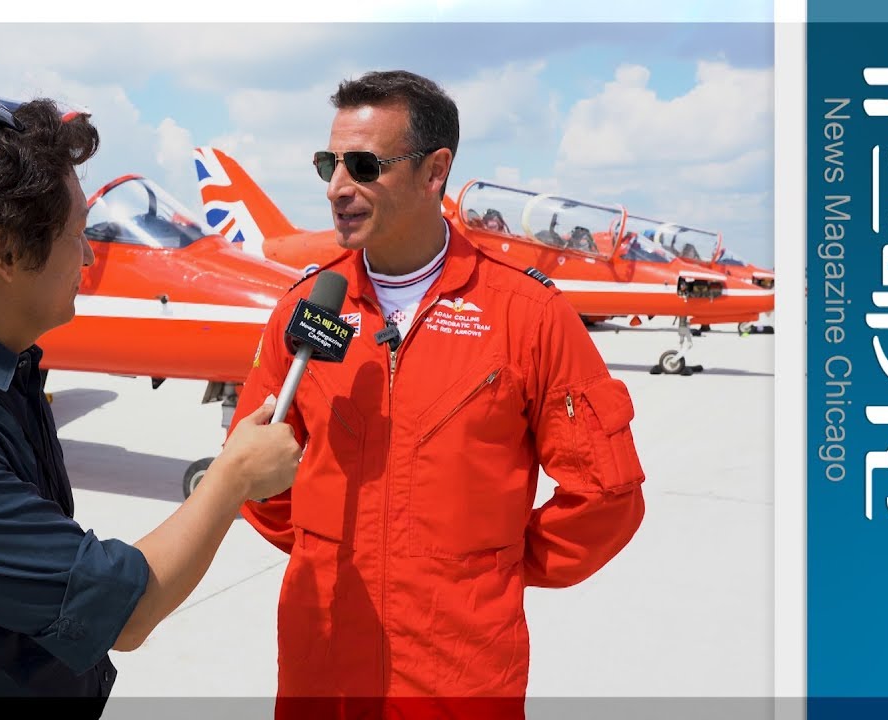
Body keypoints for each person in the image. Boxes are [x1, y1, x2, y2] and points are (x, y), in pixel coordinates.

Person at [0, 79, 301, 718]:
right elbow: (125, 610)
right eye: (77, 232)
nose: (88, 254)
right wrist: (232, 478)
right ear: (7, 252)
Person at [227, 70, 647, 718]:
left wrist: (490, 571)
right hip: (324, 665)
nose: (337, 187)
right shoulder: (304, 310)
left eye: (363, 166)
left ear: (434, 172)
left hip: (459, 674)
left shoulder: (527, 315)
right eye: (328, 165)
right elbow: (253, 475)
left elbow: (605, 495)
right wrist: (329, 553)